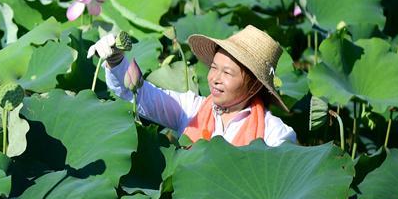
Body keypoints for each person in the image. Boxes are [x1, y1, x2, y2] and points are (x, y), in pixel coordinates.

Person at [104, 25, 296, 147]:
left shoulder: (276, 135)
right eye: (214, 68)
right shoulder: (191, 110)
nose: (215, 78)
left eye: (227, 72)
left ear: (255, 85)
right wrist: (116, 62)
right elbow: (140, 96)